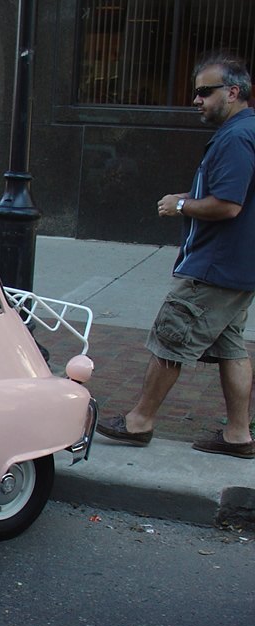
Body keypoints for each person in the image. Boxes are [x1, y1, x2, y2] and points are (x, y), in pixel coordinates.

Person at [96, 52, 255, 459]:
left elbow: (229, 205)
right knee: (231, 347)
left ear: (233, 92)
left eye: (205, 91)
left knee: (171, 336)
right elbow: (232, 195)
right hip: (237, 266)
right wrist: (188, 197)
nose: (197, 100)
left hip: (216, 265)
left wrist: (181, 207)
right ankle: (238, 435)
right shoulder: (246, 130)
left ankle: (139, 422)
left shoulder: (236, 137)